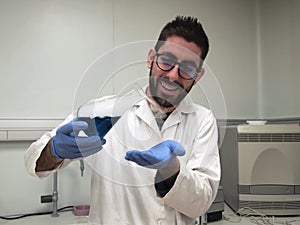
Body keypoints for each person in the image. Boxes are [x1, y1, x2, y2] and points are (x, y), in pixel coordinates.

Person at [25, 16, 220, 225]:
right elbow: (35, 162)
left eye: (188, 69)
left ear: (197, 76)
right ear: (151, 58)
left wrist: (172, 171)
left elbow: (202, 202)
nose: (173, 75)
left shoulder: (202, 120)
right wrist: (54, 151)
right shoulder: (103, 111)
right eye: (166, 61)